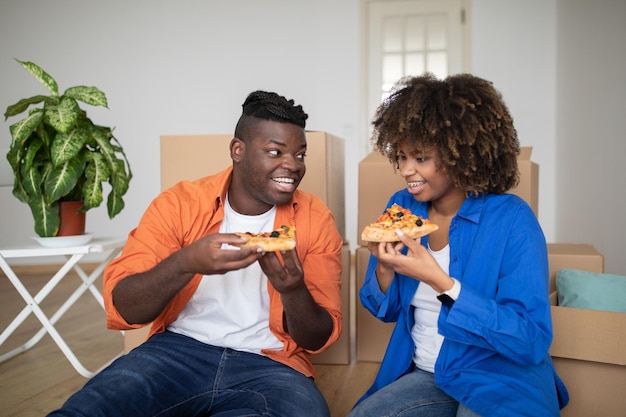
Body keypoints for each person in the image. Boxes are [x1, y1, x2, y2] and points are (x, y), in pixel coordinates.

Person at [48, 90, 343, 417]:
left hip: (272, 365)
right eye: (275, 152)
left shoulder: (315, 219)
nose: (292, 165)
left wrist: (292, 288)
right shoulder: (178, 204)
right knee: (92, 408)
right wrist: (186, 262)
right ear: (238, 150)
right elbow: (125, 307)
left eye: (300, 155)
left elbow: (318, 337)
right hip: (174, 353)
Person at [348, 74, 569, 417]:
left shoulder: (513, 220)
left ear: (460, 155)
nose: (407, 171)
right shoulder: (401, 207)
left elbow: (530, 339)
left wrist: (442, 283)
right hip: (428, 375)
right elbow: (384, 310)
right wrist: (384, 265)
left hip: (500, 378)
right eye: (402, 156)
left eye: (420, 158)